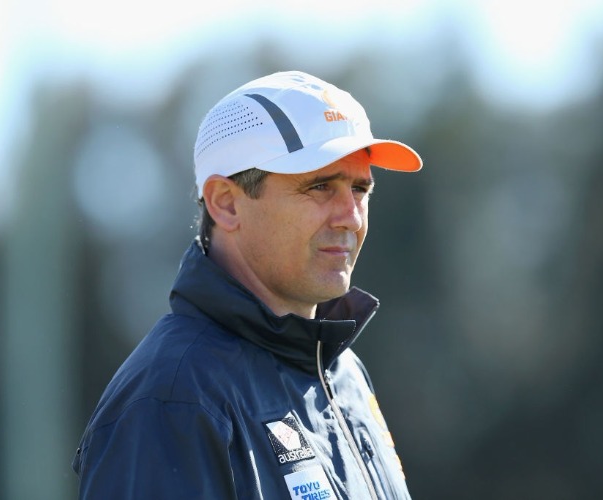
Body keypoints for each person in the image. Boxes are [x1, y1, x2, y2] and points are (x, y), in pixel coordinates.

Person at [72, 70, 422, 499]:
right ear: (226, 203)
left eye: (360, 188)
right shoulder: (172, 400)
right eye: (319, 186)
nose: (350, 216)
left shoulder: (342, 373)